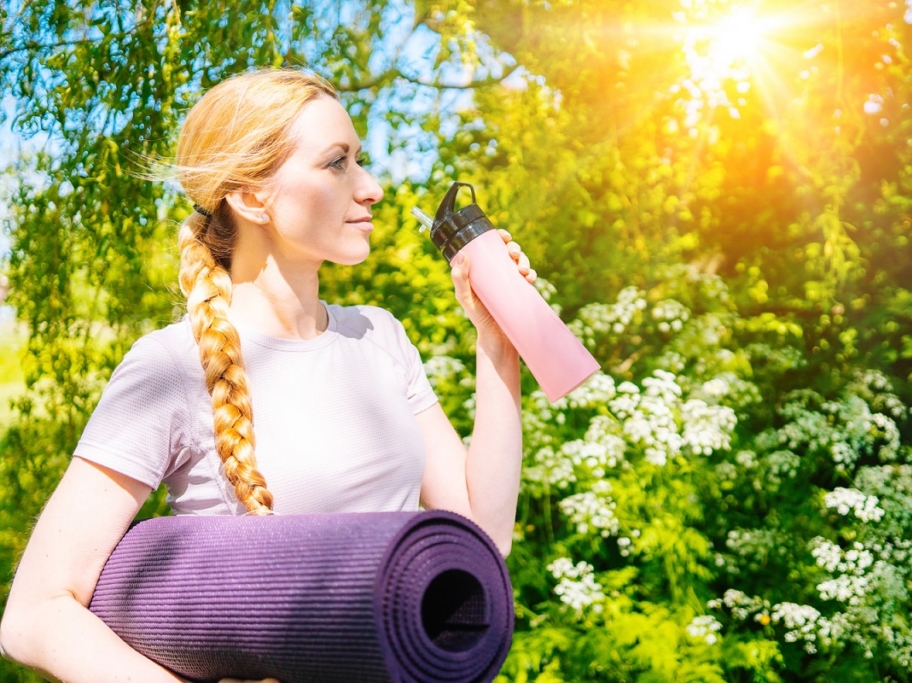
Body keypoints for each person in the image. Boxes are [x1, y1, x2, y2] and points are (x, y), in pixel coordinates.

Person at [0, 68, 534, 682]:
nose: (373, 188)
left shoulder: (379, 335)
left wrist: (495, 339)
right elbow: (36, 612)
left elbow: (481, 541)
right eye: (337, 164)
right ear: (251, 197)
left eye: (360, 160)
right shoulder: (171, 366)